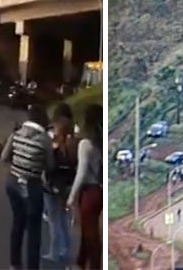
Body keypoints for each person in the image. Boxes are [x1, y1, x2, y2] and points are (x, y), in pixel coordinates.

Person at [0, 104, 54, 270]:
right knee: (34, 230)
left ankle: (14, 263)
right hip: (32, 186)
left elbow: (3, 157)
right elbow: (50, 165)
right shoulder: (45, 139)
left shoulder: (16, 134)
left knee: (18, 222)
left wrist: (18, 162)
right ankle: (32, 266)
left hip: (13, 182)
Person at [67, 104, 102, 269]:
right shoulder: (99, 142)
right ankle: (81, 263)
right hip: (98, 191)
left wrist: (71, 197)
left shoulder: (85, 144)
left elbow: (81, 172)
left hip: (87, 192)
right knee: (90, 231)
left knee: (89, 234)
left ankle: (92, 265)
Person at [43, 117, 76, 266]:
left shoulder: (56, 150)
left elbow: (49, 168)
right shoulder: (74, 148)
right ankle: (66, 250)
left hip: (53, 189)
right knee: (63, 221)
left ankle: (54, 253)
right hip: (66, 189)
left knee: (54, 222)